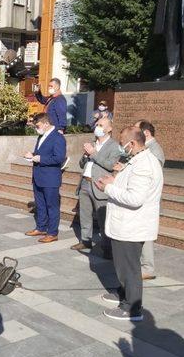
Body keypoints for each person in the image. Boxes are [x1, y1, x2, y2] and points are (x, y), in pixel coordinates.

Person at [95, 126, 164, 321]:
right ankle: (123, 293)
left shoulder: (144, 165)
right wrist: (113, 181)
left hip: (131, 226)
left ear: (132, 143)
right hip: (125, 224)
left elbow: (135, 198)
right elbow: (128, 186)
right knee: (124, 266)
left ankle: (132, 307)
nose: (120, 146)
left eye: (122, 142)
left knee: (129, 268)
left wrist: (108, 188)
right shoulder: (136, 160)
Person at [71, 117, 120, 256]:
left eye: (101, 125)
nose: (97, 127)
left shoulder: (114, 146)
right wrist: (86, 155)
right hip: (85, 182)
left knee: (103, 217)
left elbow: (110, 165)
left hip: (100, 184)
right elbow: (81, 164)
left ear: (109, 129)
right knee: (85, 214)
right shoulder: (92, 143)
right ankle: (86, 240)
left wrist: (93, 153)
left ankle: (107, 246)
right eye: (97, 124)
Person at [24, 113, 67, 243]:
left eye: (38, 125)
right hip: (38, 176)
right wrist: (32, 155)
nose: (36, 128)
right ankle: (41, 227)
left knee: (51, 206)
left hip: (50, 178)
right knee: (40, 205)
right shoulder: (41, 136)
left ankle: (52, 232)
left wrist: (40, 159)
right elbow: (40, 154)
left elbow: (59, 158)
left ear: (46, 123)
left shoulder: (58, 138)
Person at [134, 120, 166, 280]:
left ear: (146, 133)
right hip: (141, 199)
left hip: (148, 200)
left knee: (146, 236)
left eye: (137, 131)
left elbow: (152, 176)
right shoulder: (147, 148)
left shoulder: (155, 150)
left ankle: (147, 268)